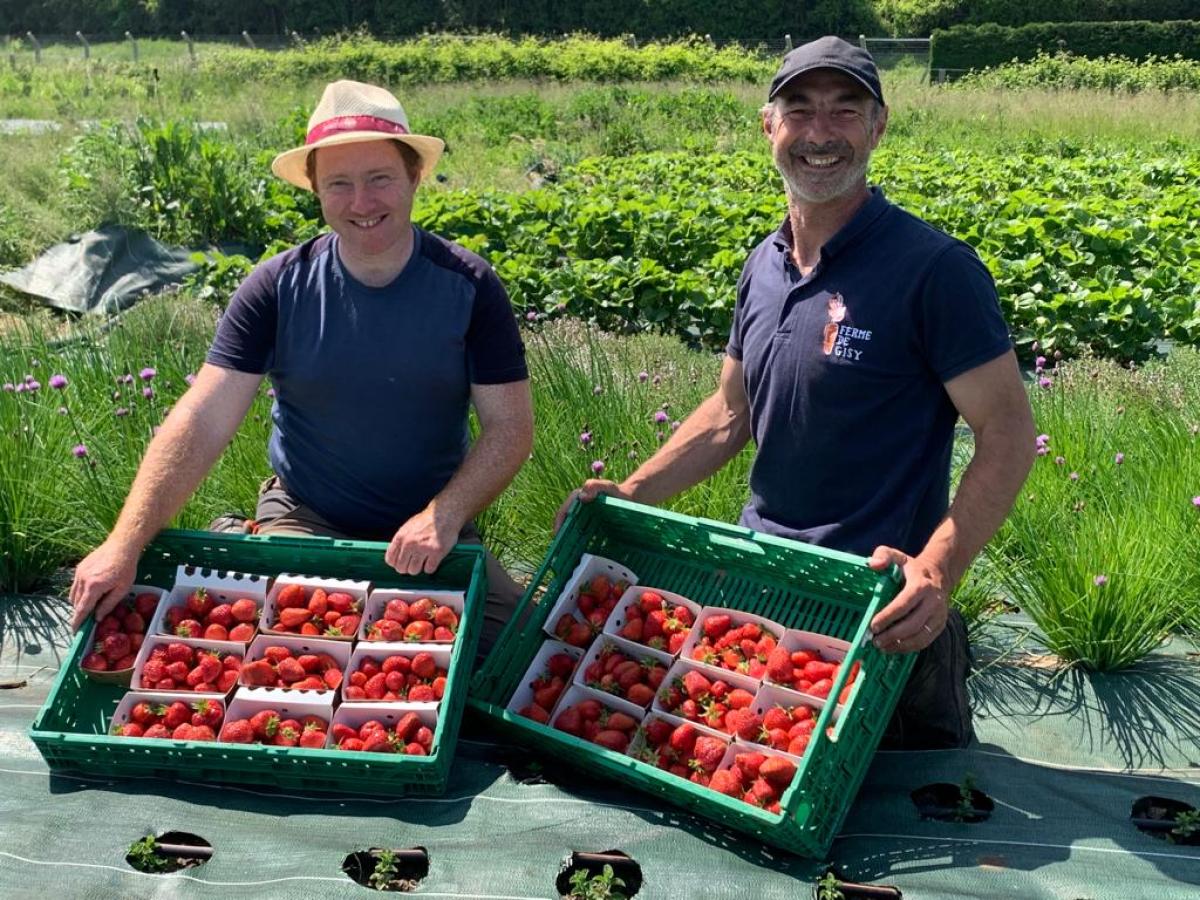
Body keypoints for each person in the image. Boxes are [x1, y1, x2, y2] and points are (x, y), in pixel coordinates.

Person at [556, 37, 1035, 749]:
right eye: (800, 109)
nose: (820, 132)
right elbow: (729, 413)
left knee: (899, 821)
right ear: (768, 126)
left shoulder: (933, 270)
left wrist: (936, 571)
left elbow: (1008, 435)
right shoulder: (764, 265)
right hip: (762, 588)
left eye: (846, 110)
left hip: (879, 610)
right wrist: (633, 491)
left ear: (879, 127)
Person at [70, 80, 534, 654]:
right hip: (308, 516)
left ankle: (253, 550)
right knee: (295, 653)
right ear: (315, 191)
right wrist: (126, 542)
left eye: (379, 178)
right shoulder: (276, 287)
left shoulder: (469, 286)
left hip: (430, 527)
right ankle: (251, 540)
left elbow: (510, 427)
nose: (361, 203)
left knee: (515, 658)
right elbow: (203, 417)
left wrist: (446, 514)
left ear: (415, 176)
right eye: (339, 184)